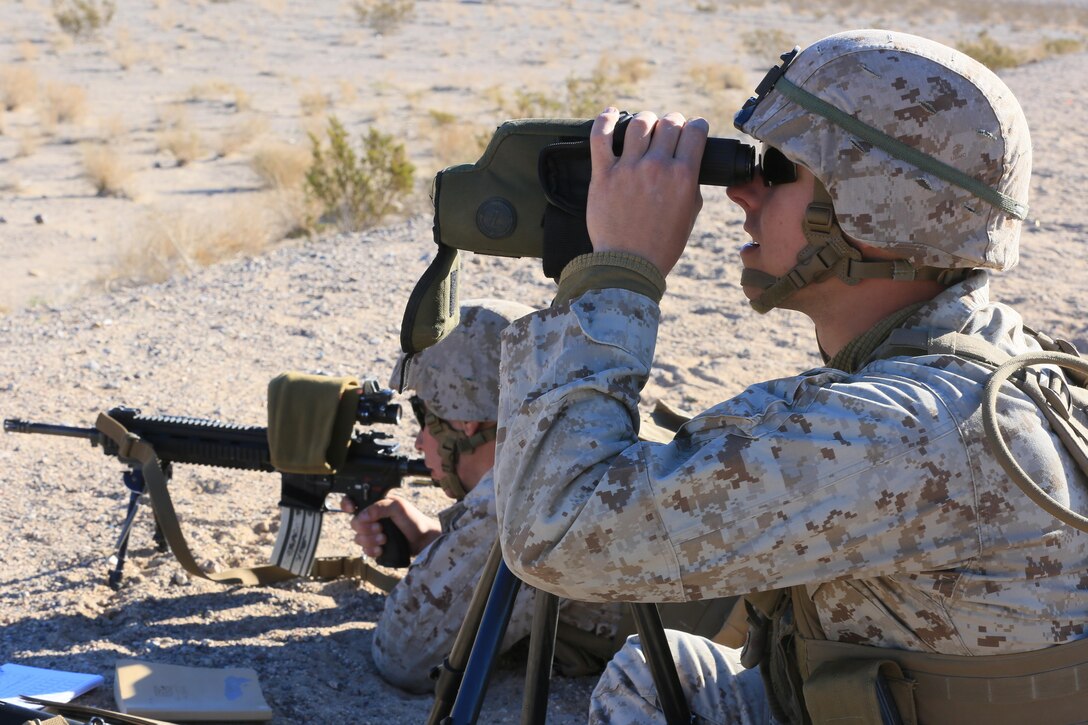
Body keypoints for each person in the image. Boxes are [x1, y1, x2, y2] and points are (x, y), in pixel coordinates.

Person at [492, 29, 1088, 723]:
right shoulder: (1010, 369)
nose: (743, 190)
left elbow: (556, 532)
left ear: (874, 209)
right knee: (666, 675)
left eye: (778, 167)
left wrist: (620, 271)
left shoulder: (904, 430)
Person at [340, 298, 626, 694]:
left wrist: (436, 560)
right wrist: (432, 541)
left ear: (464, 421)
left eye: (427, 419)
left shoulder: (527, 497)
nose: (421, 442)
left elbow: (406, 657)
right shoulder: (581, 442)